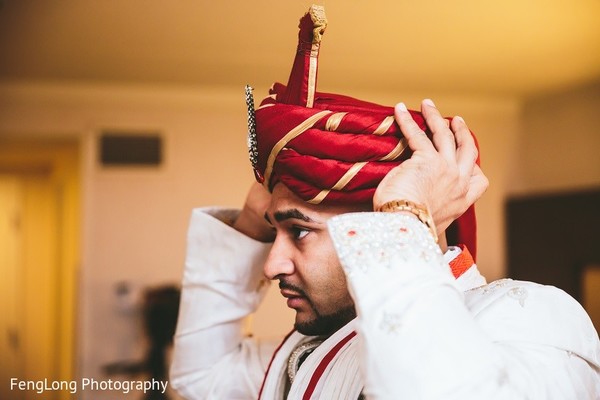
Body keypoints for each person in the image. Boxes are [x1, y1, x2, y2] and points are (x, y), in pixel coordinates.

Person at [170, 5, 600, 399]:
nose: (271, 264)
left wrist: (406, 210)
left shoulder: (532, 316)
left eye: (299, 231)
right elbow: (201, 379)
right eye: (273, 231)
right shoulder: (304, 354)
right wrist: (251, 220)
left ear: (387, 225)